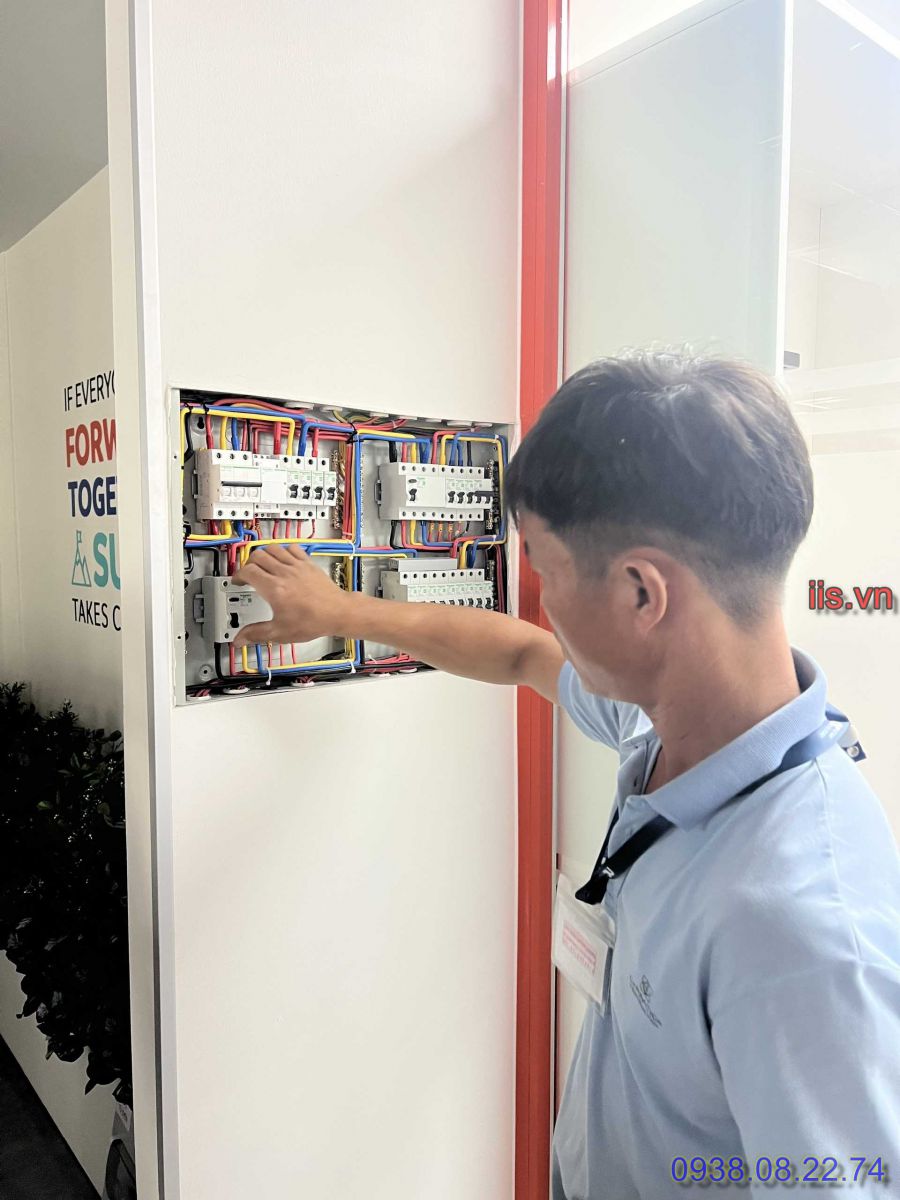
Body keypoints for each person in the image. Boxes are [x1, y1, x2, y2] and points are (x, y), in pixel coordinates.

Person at [233, 352, 900, 1199]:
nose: (540, 601)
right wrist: (340, 611)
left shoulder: (800, 934)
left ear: (641, 594)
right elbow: (519, 654)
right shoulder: (664, 724)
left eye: (545, 572)